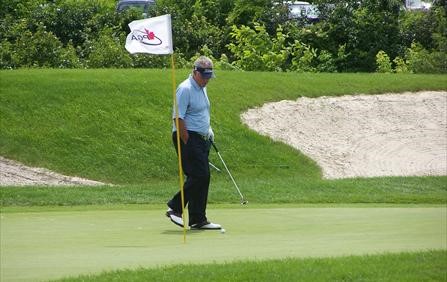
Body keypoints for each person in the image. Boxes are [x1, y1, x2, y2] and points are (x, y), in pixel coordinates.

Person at [166, 56, 221, 230]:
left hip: (201, 138)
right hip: (187, 137)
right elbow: (178, 117)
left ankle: (198, 218)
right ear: (195, 72)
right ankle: (175, 208)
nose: (206, 80)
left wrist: (208, 130)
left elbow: (201, 112)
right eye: (204, 76)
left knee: (203, 177)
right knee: (199, 175)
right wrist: (187, 141)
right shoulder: (185, 89)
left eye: (209, 77)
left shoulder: (201, 88)